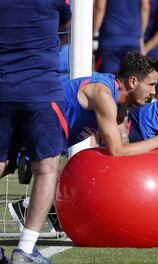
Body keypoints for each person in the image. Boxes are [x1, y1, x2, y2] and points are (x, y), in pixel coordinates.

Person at [7, 51, 158, 237]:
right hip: (21, 127)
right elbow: (117, 151)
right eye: (151, 85)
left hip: (40, 137)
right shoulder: (103, 94)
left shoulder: (120, 103)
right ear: (132, 81)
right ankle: (27, 237)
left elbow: (122, 155)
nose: (154, 92)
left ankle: (29, 208)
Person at [0, 1, 71, 264]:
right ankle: (26, 249)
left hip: (2, 89)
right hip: (40, 90)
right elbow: (65, 22)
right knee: (47, 168)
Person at [94, 0, 150, 73]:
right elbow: (145, 8)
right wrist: (141, 36)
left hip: (110, 39)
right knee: (130, 79)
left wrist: (93, 33)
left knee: (107, 80)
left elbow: (100, 8)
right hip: (133, 39)